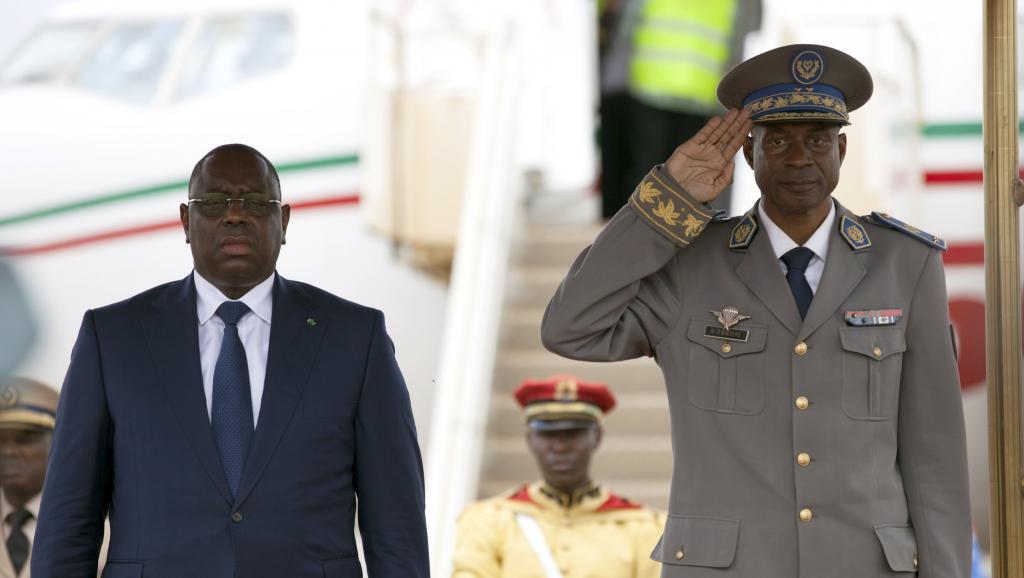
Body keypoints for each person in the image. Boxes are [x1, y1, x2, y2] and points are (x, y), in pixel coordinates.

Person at [541, 44, 971, 577]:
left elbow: (936, 459)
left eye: (817, 140)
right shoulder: (689, 261)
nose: (798, 158)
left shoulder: (905, 264)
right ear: (748, 153)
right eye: (778, 141)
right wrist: (667, 202)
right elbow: (570, 328)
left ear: (842, 149)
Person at [33, 144, 429, 577]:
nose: (236, 214)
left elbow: (397, 524)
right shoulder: (111, 338)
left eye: (257, 202)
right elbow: (69, 518)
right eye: (215, 202)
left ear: (284, 222)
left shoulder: (356, 337)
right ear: (186, 221)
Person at [452, 375, 665, 578]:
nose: (560, 446)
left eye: (573, 434)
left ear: (597, 437)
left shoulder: (643, 527)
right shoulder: (489, 521)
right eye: (548, 434)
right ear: (529, 439)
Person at [600, 0, 761, 219]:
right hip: (699, 92)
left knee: (647, 173)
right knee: (691, 176)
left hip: (651, 85)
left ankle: (639, 234)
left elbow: (627, 29)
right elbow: (740, 39)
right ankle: (680, 240)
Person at [0, 377, 57, 578]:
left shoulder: (101, 529)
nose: (8, 452)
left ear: (56, 443)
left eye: (25, 438)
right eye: (0, 440)